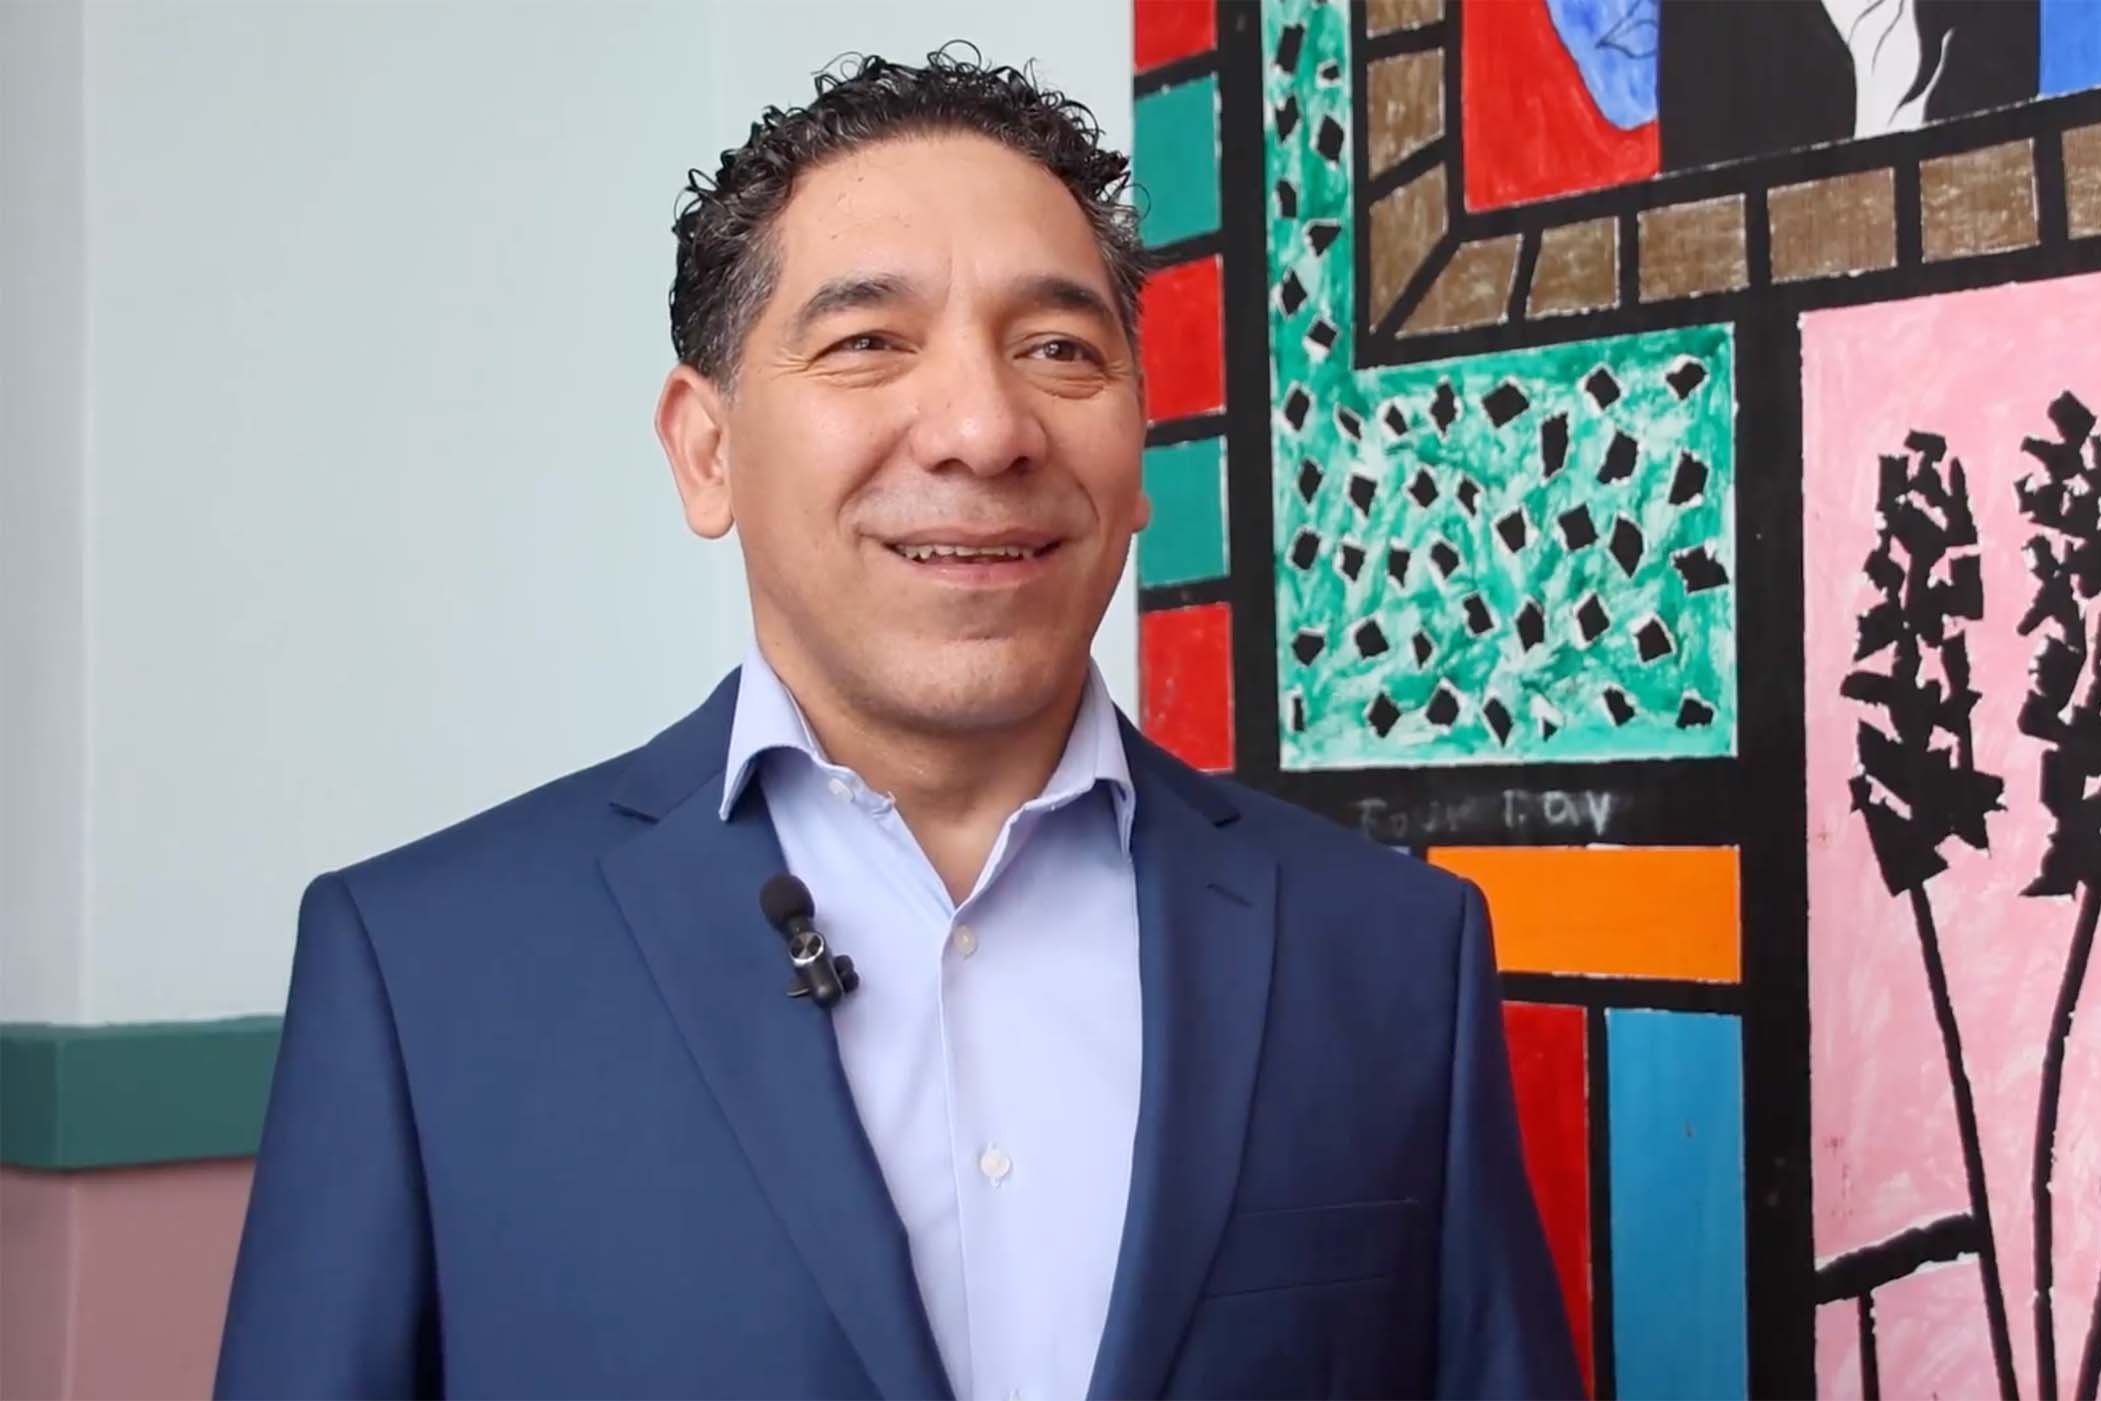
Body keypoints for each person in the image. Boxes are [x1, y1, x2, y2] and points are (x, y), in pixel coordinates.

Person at [215, 51, 1580, 1401]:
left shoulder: (1392, 952)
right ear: (706, 451)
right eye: (869, 342)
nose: (986, 430)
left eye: (1057, 349)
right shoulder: (424, 971)